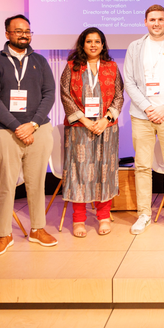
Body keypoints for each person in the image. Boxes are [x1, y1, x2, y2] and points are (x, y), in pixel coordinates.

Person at [0, 14, 57, 256]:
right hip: (4, 131)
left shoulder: (40, 62)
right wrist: (16, 126)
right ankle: (4, 234)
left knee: (37, 182)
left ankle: (37, 229)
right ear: (7, 34)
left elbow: (49, 94)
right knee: (7, 184)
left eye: (28, 31)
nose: (24, 34)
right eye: (19, 31)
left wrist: (32, 124)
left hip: (38, 129)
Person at [123, 4, 164, 234]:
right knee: (142, 166)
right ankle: (144, 214)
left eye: (160, 19)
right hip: (142, 115)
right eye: (152, 19)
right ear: (145, 22)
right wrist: (147, 107)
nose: (156, 23)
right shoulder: (135, 47)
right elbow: (129, 81)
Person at [59, 27, 124, 237]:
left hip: (106, 128)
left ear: (103, 45)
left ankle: (103, 216)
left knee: (104, 171)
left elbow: (119, 96)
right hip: (79, 129)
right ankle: (78, 219)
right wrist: (86, 121)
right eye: (89, 41)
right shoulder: (71, 67)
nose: (93, 45)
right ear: (83, 44)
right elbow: (65, 96)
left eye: (97, 41)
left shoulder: (112, 67)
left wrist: (106, 120)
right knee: (79, 172)